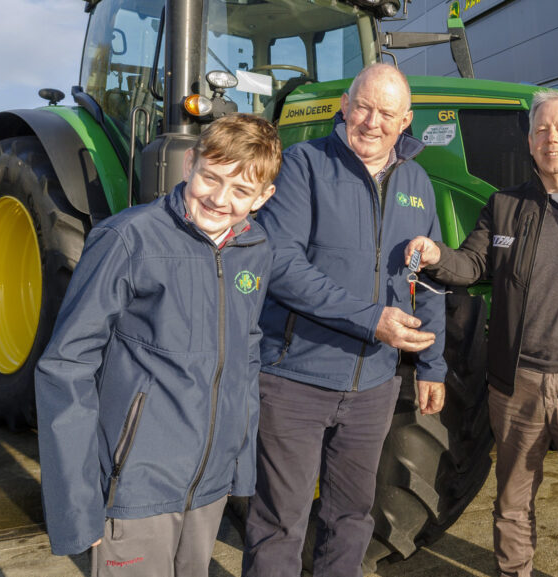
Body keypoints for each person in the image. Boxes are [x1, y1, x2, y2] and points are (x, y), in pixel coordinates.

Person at [406, 89, 558, 577]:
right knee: (512, 504)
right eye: (541, 130)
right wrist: (436, 255)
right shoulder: (504, 206)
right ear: (530, 142)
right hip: (515, 387)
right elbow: (473, 262)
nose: (552, 139)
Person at [35, 113, 282, 576]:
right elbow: (65, 367)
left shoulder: (257, 248)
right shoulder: (128, 239)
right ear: (190, 163)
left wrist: (238, 467)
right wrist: (75, 505)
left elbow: (247, 357)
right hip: (136, 486)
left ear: (264, 196)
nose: (220, 199)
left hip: (208, 486)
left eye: (242, 191)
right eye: (211, 177)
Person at [242, 63, 447, 577]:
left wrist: (433, 365)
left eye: (387, 113)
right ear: (344, 106)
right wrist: (371, 319)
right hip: (295, 381)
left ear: (406, 121)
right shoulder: (303, 166)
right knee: (279, 522)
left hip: (373, 386)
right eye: (363, 106)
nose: (372, 121)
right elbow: (282, 267)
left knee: (352, 517)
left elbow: (428, 278)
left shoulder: (418, 183)